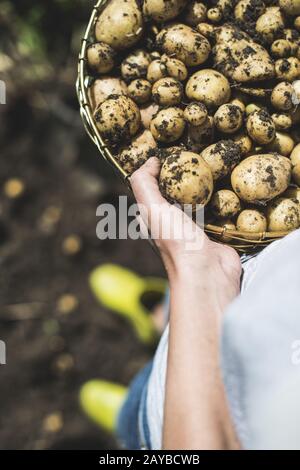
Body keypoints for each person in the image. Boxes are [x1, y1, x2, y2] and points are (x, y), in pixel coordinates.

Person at [81, 157, 300, 450]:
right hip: (247, 273)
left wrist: (196, 268)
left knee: (146, 405)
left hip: (188, 414)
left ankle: (129, 419)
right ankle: (159, 315)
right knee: (179, 305)